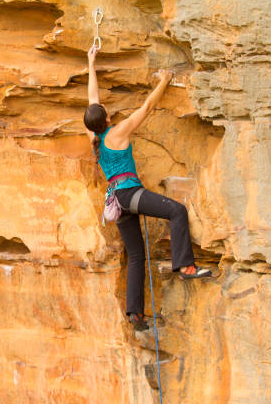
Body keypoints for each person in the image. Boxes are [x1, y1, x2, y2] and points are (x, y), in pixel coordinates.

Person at [83, 45, 212, 332]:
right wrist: (164, 81)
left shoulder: (93, 135)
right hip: (129, 195)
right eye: (105, 111)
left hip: (115, 201)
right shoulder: (116, 133)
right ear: (105, 119)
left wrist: (91, 62)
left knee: (137, 254)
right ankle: (185, 267)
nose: (106, 108)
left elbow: (92, 98)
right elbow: (148, 108)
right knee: (177, 211)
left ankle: (136, 315)